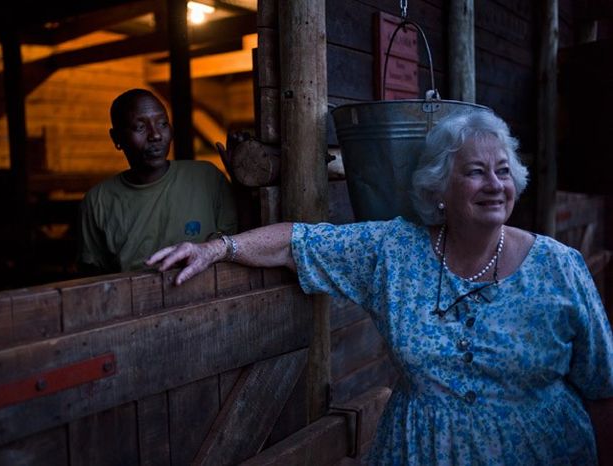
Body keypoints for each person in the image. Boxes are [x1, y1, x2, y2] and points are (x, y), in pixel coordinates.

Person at [146, 109, 613, 465]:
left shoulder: (559, 266)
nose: (494, 184)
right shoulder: (394, 250)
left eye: (503, 170)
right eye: (474, 171)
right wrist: (218, 248)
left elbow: (602, 385)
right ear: (438, 189)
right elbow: (298, 242)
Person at [78, 89, 237, 274]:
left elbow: (238, 243)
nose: (155, 135)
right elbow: (93, 277)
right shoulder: (98, 201)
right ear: (116, 138)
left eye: (162, 123)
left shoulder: (207, 177)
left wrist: (240, 181)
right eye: (140, 127)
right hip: (136, 301)